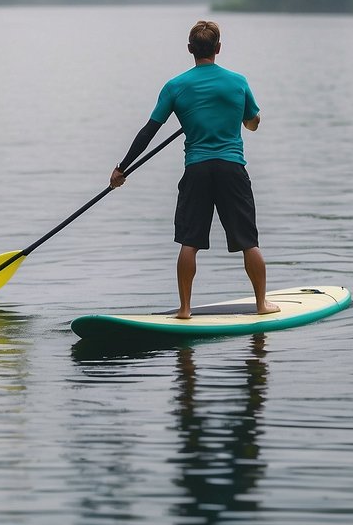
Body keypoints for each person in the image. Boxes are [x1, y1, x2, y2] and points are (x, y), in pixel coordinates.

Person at [110, 20, 279, 319]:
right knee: (248, 242)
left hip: (197, 170)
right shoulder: (238, 82)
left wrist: (123, 168)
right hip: (231, 169)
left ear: (190, 50)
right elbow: (253, 123)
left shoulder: (175, 86)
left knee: (190, 242)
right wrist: (246, 120)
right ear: (218, 49)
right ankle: (261, 305)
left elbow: (149, 131)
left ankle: (185, 310)